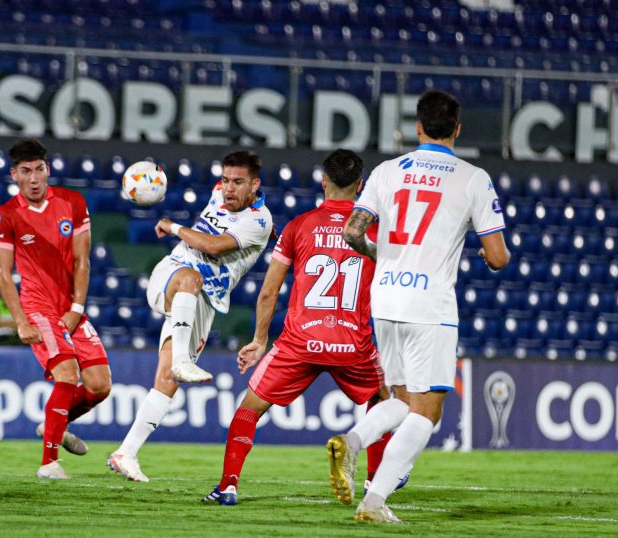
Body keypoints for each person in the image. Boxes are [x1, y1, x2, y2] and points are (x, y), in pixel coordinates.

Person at [340, 90, 510, 523]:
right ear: (457, 128)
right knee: (427, 413)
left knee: (401, 399)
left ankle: (354, 442)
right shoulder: (473, 177)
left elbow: (352, 233)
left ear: (417, 127)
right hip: (429, 304)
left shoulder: (385, 171)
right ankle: (374, 501)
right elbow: (497, 256)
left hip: (386, 298)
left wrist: (387, 259)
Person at [201, 149, 396, 506]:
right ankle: (374, 483)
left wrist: (260, 340)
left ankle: (228, 485)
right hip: (352, 343)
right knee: (383, 403)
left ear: (323, 182)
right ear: (361, 186)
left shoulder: (298, 226)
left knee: (248, 410)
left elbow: (269, 291)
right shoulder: (376, 232)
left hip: (300, 341)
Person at [108, 150, 273, 482]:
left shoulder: (259, 220)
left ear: (255, 184)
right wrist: (151, 175)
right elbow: (198, 249)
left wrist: (172, 226)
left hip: (203, 303)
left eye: (238, 182)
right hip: (173, 274)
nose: (228, 189)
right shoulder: (218, 194)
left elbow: (214, 246)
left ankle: (126, 453)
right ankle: (183, 360)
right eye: (225, 180)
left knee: (167, 382)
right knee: (191, 277)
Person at [0, 138, 112, 480]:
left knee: (100, 385)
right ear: (14, 174)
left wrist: (76, 307)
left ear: (48, 170)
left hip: (70, 306)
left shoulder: (73, 202)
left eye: (39, 170)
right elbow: (3, 273)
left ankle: (52, 425)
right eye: (25, 171)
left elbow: (83, 259)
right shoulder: (6, 215)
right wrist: (20, 320)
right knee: (67, 375)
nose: (33, 178)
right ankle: (49, 463)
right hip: (38, 307)